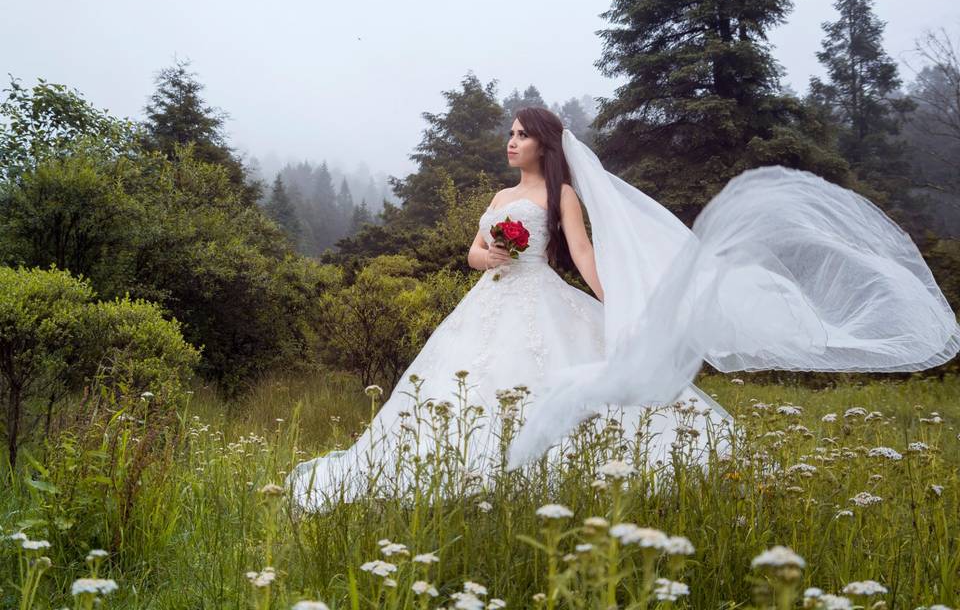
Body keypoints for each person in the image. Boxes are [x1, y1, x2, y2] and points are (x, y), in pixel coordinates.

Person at [288, 106, 960, 513]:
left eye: (521, 135)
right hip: (489, 301)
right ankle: (465, 474)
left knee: (556, 374)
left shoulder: (565, 197)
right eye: (509, 134)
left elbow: (580, 257)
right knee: (467, 387)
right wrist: (490, 255)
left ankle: (537, 479)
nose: (511, 142)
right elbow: (472, 254)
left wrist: (624, 307)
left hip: (543, 300)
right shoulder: (497, 198)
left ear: (544, 144)